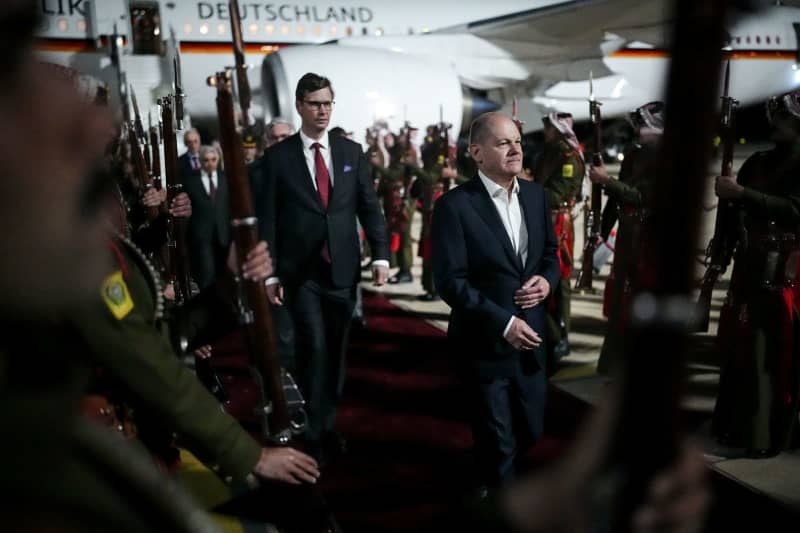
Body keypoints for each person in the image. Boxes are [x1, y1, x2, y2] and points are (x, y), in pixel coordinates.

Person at [258, 72, 390, 463]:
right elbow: (267, 219)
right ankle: (314, 430)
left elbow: (369, 207)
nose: (322, 111)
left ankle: (324, 421)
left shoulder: (351, 153)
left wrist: (381, 254)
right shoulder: (277, 158)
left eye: (328, 103)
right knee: (313, 346)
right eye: (315, 103)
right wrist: (270, 272)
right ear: (299, 106)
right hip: (300, 273)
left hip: (343, 270)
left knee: (335, 352)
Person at [432, 112, 560, 490]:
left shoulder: (537, 197)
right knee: (499, 443)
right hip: (485, 344)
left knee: (531, 434)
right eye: (504, 143)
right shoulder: (454, 206)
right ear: (476, 152)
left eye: (517, 141)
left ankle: (487, 475)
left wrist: (547, 282)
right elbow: (450, 282)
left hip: (532, 342)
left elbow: (551, 255)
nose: (515, 149)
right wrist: (504, 322)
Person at [711, 90, 800, 458]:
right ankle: (734, 428)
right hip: (749, 265)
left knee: (774, 354)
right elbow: (731, 214)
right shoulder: (758, 161)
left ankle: (765, 435)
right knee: (740, 350)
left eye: (784, 118)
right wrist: (721, 251)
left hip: (786, 271)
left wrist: (742, 193)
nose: (774, 123)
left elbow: (795, 211)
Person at [589, 101, 664, 376]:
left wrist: (606, 181)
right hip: (629, 238)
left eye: (644, 124)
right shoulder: (635, 154)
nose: (639, 129)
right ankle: (615, 365)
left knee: (640, 301)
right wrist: (599, 230)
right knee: (622, 301)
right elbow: (618, 199)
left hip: (649, 240)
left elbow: (645, 198)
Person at [534, 112, 585, 362]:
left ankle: (563, 336)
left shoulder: (568, 157)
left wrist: (528, 188)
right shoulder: (549, 152)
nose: (546, 131)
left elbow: (561, 195)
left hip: (558, 224)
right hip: (544, 221)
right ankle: (549, 332)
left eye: (549, 127)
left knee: (561, 281)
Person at [184, 144, 230, 289]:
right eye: (206, 160)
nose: (210, 163)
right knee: (206, 275)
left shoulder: (226, 179)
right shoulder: (190, 181)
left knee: (225, 276)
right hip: (202, 237)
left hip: (224, 236)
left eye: (213, 159)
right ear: (200, 161)